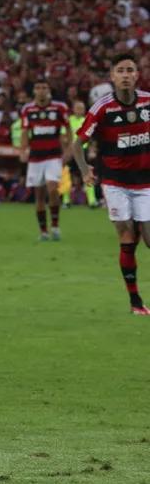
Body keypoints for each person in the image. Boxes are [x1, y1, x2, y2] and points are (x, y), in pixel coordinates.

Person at [72, 53, 150, 316]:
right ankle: (136, 302)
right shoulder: (102, 108)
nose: (126, 75)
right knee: (127, 238)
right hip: (116, 183)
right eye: (121, 70)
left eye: (130, 70)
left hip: (145, 182)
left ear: (137, 75)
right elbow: (76, 144)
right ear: (113, 77)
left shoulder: (148, 102)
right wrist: (85, 171)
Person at [19, 79, 71, 240]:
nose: (41, 90)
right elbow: (24, 132)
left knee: (52, 190)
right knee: (39, 195)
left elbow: (68, 129)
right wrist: (23, 150)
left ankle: (55, 226)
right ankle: (43, 232)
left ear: (49, 90)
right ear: (34, 91)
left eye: (44, 87)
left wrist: (68, 150)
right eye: (38, 87)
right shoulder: (27, 109)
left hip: (53, 156)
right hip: (35, 157)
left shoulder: (59, 108)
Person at [65, 99, 98, 208]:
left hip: (83, 151)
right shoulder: (68, 121)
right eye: (78, 108)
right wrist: (67, 151)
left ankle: (92, 201)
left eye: (82, 108)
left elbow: (93, 138)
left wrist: (91, 149)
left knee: (88, 174)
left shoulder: (87, 121)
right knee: (67, 176)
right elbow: (63, 137)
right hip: (71, 151)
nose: (80, 110)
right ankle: (66, 201)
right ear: (73, 109)